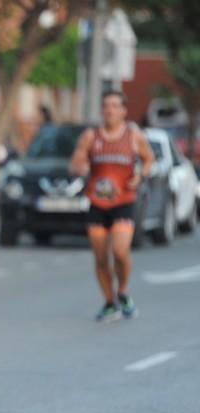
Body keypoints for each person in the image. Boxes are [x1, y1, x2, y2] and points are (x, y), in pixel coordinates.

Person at [70, 90, 154, 321]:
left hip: (123, 202)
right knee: (100, 258)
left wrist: (140, 175)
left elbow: (149, 159)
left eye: (115, 106)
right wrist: (80, 167)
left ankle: (123, 290)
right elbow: (76, 162)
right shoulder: (91, 137)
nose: (110, 110)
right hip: (97, 203)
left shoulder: (134, 136)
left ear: (124, 111)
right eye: (106, 105)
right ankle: (110, 302)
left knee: (120, 250)